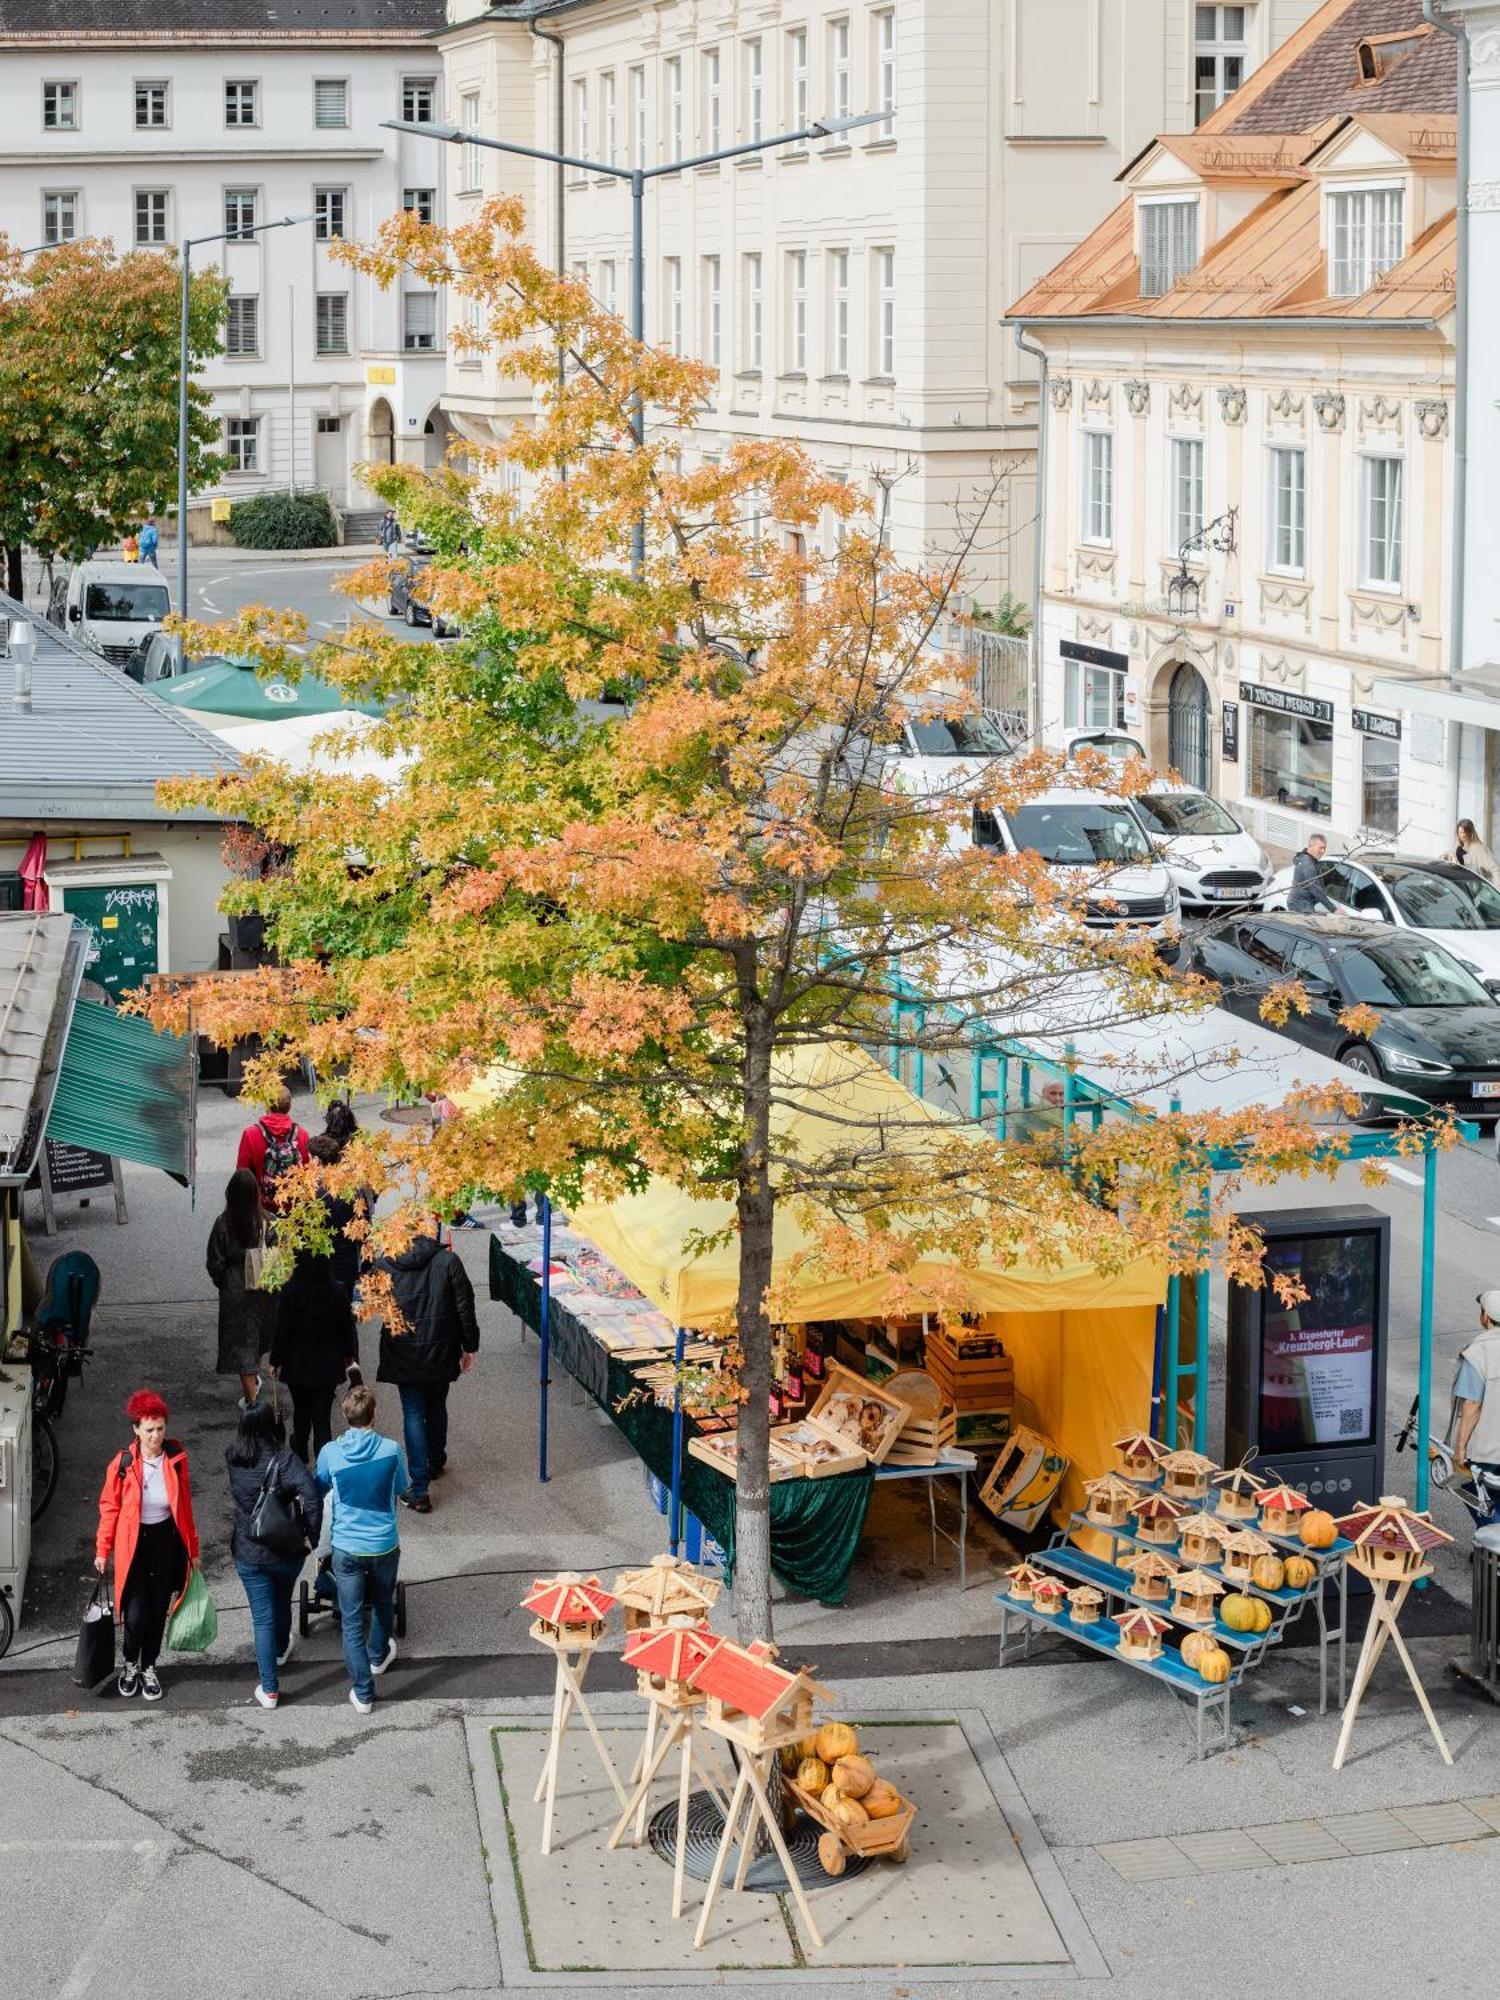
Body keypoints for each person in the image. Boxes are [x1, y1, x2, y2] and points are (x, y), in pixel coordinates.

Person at [95, 1390, 200, 1702]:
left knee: (157, 1612)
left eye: (161, 1428)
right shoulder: (123, 1464)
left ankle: (149, 1666)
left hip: (165, 1543)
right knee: (137, 1614)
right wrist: (103, 1549)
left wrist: (193, 1551)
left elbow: (185, 1510)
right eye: (150, 1429)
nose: (156, 1435)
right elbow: (109, 1507)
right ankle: (130, 1664)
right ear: (136, 1430)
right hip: (134, 1546)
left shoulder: (177, 1460)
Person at [315, 1383, 407, 1713]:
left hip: (346, 1546)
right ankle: (379, 1654)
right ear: (375, 1414)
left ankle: (363, 1693)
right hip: (383, 1543)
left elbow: (320, 1485)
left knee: (351, 1620)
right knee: (383, 1602)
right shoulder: (391, 1449)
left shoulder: (331, 1453)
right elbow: (402, 1487)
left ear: (345, 1415)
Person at [376, 1224, 480, 1513]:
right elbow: (465, 1306)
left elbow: (376, 1306)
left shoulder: (384, 1264)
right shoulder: (448, 1261)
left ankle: (419, 1486)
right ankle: (435, 1459)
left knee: (413, 1412)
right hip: (441, 1348)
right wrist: (469, 1346)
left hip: (404, 1351)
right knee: (436, 1404)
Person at [226, 1397, 322, 1709]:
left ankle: (269, 1688)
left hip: (249, 1550)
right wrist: (312, 1536)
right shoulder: (285, 1461)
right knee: (282, 1600)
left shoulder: (233, 1459)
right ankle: (282, 1648)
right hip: (286, 1550)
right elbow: (312, 1495)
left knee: (262, 1617)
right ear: (272, 1425)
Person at [268, 1250, 360, 1462]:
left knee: (301, 1410)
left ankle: (300, 1445)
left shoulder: (291, 1291)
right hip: (328, 1365)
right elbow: (347, 1327)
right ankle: (324, 1467)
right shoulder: (336, 1291)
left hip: (297, 1364)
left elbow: (282, 1330)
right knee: (322, 1417)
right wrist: (349, 1354)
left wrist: (275, 1360)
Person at [207, 1167, 275, 1404]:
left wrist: (225, 1282)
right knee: (256, 1341)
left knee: (241, 1345)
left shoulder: (224, 1223)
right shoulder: (268, 1222)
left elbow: (214, 1262)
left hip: (235, 1290)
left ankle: (252, 1401)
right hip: (264, 1290)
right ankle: (253, 1387)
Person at [1456, 1292, 1500, 1515]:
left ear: (1486, 1317)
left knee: (1475, 1492)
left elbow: (1473, 1404)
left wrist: (1461, 1447)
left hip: (1490, 1450)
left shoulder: (1478, 1352)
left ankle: (1492, 1544)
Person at [236, 1083, 310, 1211]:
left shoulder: (251, 1134)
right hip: (294, 1211)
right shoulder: (302, 1135)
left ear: (267, 1104)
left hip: (262, 1209)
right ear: (289, 1107)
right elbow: (308, 1176)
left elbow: (242, 1176)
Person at [1287, 832, 1336, 914]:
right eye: (1320, 848)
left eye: (1324, 848)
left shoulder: (1311, 861)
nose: (1323, 851)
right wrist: (1334, 909)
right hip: (1300, 905)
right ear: (1311, 846)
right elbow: (1315, 888)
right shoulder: (1307, 864)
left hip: (1304, 903)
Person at [1447, 819, 1500, 890]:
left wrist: (1497, 889)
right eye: (1459, 833)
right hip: (1460, 892)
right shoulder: (1457, 848)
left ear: (1470, 832)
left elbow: (1495, 869)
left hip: (1476, 895)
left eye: (1464, 833)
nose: (1461, 835)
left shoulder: (1479, 849)